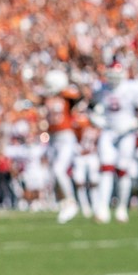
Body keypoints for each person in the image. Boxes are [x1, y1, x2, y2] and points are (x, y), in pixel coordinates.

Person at [89, 60, 138, 223]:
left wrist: (137, 122)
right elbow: (93, 107)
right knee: (106, 168)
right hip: (108, 131)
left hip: (126, 133)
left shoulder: (132, 88)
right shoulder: (101, 88)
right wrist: (96, 118)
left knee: (122, 170)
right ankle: (103, 208)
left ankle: (122, 207)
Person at [35, 68, 87, 223]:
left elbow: (81, 96)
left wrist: (72, 82)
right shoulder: (47, 97)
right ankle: (65, 202)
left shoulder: (66, 96)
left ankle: (71, 203)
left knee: (59, 170)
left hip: (66, 136)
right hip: (53, 138)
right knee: (53, 173)